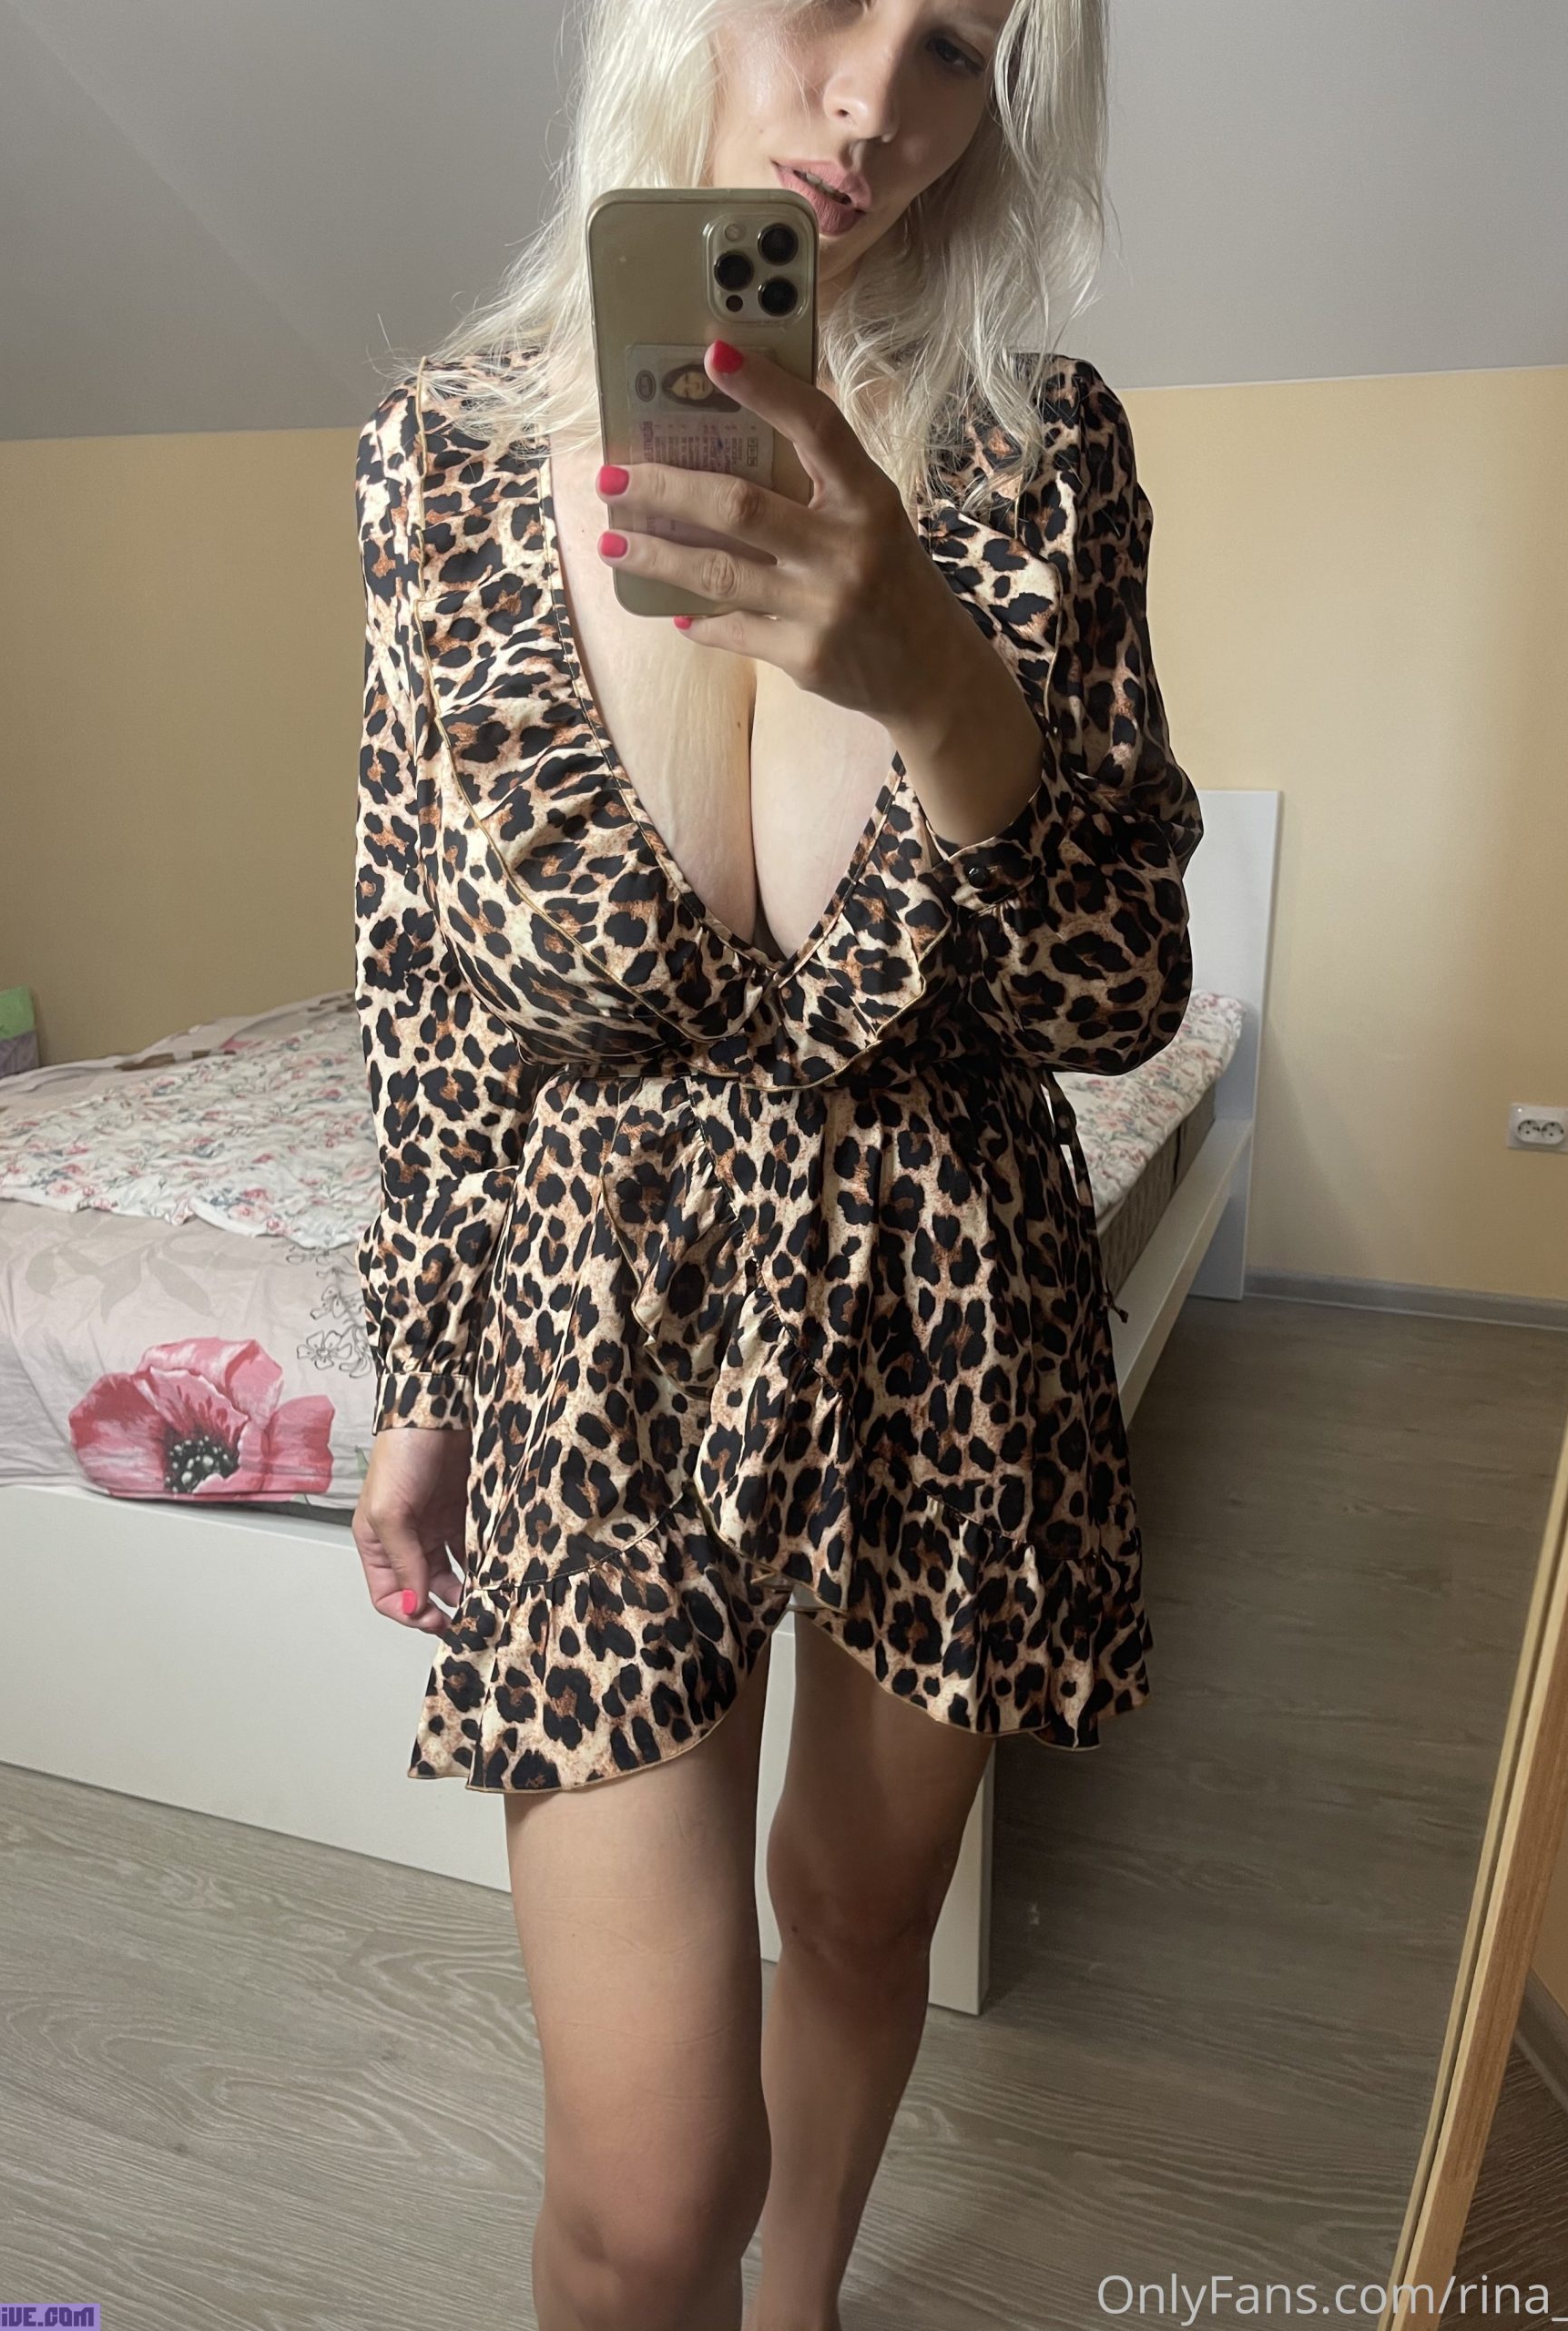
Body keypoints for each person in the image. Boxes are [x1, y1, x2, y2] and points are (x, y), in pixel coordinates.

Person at [350, 1, 1201, 2324]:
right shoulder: (437, 461)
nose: (877, 108)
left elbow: (1122, 994)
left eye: (958, 51)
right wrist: (422, 1373)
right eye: (835, 5)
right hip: (598, 1314)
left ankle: (806, 2289)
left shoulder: (1041, 451)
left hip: (951, 1288)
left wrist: (934, 672)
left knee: (853, 1907)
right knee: (646, 2197)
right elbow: (425, 971)